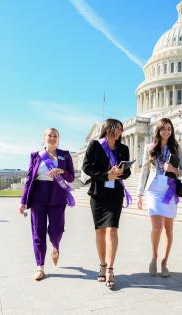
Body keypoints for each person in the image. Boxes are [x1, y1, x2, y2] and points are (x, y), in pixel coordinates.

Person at [19, 128, 75, 281]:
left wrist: (61, 171)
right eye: (49, 135)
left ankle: (55, 246)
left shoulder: (65, 155)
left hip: (57, 196)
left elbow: (71, 177)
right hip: (39, 197)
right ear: (44, 138)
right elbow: (30, 179)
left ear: (58, 139)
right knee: (38, 231)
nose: (52, 138)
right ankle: (40, 267)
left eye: (55, 136)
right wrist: (23, 201)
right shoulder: (36, 156)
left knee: (57, 229)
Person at [82, 118, 131, 289]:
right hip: (98, 194)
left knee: (112, 230)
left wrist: (121, 173)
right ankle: (102, 265)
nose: (118, 131)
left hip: (115, 194)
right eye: (116, 128)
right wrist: (106, 175)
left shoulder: (123, 148)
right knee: (100, 232)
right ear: (107, 128)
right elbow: (86, 168)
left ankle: (110, 268)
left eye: (120, 129)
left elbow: (128, 172)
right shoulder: (95, 145)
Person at [136, 118, 182, 278]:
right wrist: (139, 193)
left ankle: (165, 262)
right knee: (157, 227)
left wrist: (174, 169)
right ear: (158, 130)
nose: (166, 131)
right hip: (154, 190)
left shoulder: (176, 148)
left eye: (169, 129)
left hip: (169, 190)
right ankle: (154, 256)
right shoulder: (150, 148)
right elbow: (144, 170)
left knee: (169, 229)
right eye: (163, 128)